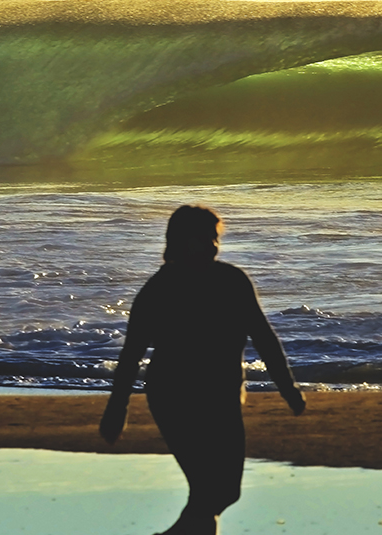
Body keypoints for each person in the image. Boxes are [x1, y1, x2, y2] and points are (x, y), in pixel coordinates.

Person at [99, 205, 306, 535]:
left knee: (223, 492)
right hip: (174, 397)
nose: (212, 245)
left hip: (223, 397)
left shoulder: (232, 280)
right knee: (213, 492)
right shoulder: (159, 289)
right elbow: (132, 352)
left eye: (215, 237)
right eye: (203, 238)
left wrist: (288, 388)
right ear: (180, 241)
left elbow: (263, 335)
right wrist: (116, 408)